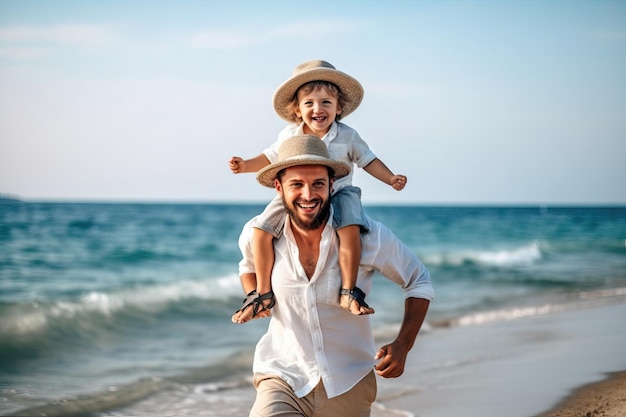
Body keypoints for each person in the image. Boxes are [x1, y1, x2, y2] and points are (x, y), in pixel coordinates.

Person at [235, 134, 433, 417]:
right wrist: (256, 295)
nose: (308, 194)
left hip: (348, 382)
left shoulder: (369, 236)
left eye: (318, 183)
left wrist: (403, 344)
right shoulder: (258, 234)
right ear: (278, 188)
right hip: (282, 376)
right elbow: (248, 266)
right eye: (296, 185)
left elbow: (418, 281)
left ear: (331, 184)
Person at [230, 60, 407, 323]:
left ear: (338, 108)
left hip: (341, 191)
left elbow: (367, 160)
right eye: (309, 102)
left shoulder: (347, 135)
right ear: (297, 110)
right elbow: (269, 157)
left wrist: (390, 178)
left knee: (350, 228)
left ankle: (348, 291)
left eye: (326, 102)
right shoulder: (289, 135)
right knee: (261, 229)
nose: (318, 108)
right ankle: (262, 295)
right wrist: (245, 165)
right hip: (298, 195)